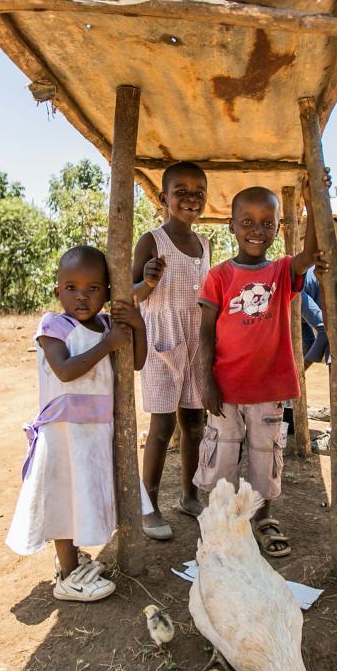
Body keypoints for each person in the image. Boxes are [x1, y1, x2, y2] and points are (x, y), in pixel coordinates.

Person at [5, 246, 149, 602]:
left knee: (84, 495)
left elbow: (137, 362)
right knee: (64, 499)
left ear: (107, 292)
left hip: (96, 432)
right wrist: (108, 344)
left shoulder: (105, 324)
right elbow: (66, 371)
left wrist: (137, 324)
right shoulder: (53, 326)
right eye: (71, 287)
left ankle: (74, 562)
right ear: (57, 290)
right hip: (64, 433)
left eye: (93, 288)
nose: (81, 296)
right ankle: (67, 576)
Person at [195, 186, 327, 558]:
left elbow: (311, 253)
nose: (257, 230)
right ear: (231, 226)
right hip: (225, 389)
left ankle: (263, 518)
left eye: (267, 223)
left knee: (264, 456)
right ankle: (222, 521)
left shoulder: (282, 271)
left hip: (269, 389)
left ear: (278, 227)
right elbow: (205, 333)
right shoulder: (218, 277)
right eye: (247, 222)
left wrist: (314, 203)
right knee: (222, 457)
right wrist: (205, 380)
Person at [131, 162, 211, 541]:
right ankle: (149, 505)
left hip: (196, 341)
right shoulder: (151, 242)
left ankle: (190, 496)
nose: (191, 199)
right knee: (162, 428)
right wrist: (147, 281)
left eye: (198, 192)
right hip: (162, 341)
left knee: (194, 424)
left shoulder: (204, 244)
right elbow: (131, 296)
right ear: (163, 199)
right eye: (181, 191)